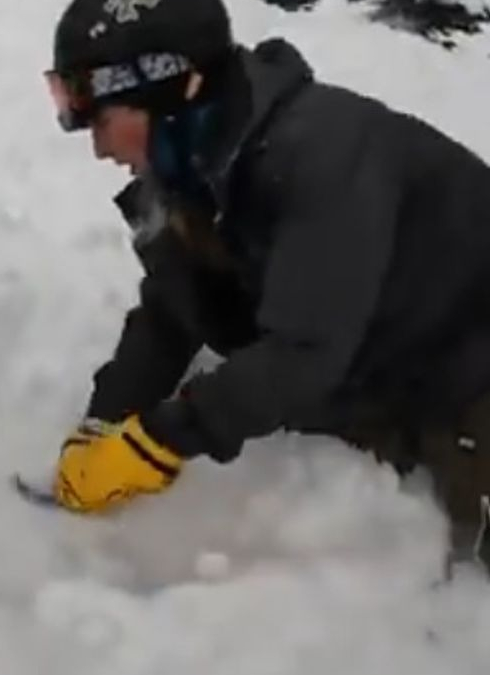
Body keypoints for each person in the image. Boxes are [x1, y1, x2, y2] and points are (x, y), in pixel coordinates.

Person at [42, 0, 490, 573]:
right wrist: (105, 421)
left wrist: (156, 441)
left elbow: (302, 353)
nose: (99, 148)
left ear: (174, 91)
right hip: (379, 358)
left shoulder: (323, 153)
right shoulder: (194, 166)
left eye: (101, 120)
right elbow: (174, 309)